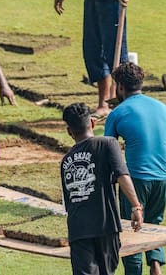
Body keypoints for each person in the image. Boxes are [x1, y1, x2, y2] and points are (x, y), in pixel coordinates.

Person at [103, 62, 166, 275]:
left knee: (132, 228)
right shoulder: (162, 108)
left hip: (136, 180)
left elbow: (108, 151)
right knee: (154, 224)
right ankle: (155, 264)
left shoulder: (117, 113)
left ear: (121, 87)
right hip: (163, 176)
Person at [61, 102, 144, 275]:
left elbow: (68, 201)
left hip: (78, 230)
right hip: (106, 226)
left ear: (69, 131)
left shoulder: (66, 160)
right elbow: (122, 175)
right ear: (92, 122)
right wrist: (136, 205)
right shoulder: (107, 143)